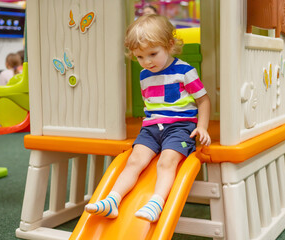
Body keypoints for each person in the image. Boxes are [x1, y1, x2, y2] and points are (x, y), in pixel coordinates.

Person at [85, 14, 211, 222]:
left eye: (153, 54)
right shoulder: (145, 75)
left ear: (170, 45)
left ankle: (156, 203)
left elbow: (203, 100)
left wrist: (203, 127)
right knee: (134, 160)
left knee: (166, 161)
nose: (147, 62)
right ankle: (112, 201)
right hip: (151, 128)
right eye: (140, 57)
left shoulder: (185, 71)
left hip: (180, 127)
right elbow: (151, 106)